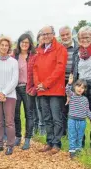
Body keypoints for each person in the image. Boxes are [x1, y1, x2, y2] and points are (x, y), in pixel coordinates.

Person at [34, 25, 68, 155]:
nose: (46, 36)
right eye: (43, 34)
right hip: (42, 89)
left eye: (48, 34)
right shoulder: (39, 50)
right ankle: (49, 142)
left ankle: (56, 143)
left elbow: (59, 69)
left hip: (55, 90)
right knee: (46, 117)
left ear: (53, 34)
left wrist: (46, 84)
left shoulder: (60, 49)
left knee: (56, 117)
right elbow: (35, 68)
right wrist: (38, 83)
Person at [0, 36, 19, 155]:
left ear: (9, 47)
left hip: (10, 95)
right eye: (2, 45)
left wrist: (4, 92)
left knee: (9, 121)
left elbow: (14, 79)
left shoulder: (13, 62)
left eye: (6, 45)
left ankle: (10, 145)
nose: (4, 47)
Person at [12, 33, 36, 150]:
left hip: (28, 87)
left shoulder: (33, 55)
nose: (24, 44)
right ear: (19, 43)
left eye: (27, 42)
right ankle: (17, 136)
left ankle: (27, 139)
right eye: (22, 42)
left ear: (30, 43)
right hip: (15, 87)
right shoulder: (14, 56)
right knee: (16, 113)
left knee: (29, 114)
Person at [66, 75, 91, 159]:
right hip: (72, 120)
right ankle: (72, 152)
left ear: (84, 90)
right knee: (72, 135)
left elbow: (87, 111)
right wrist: (69, 83)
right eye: (78, 86)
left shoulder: (85, 99)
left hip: (82, 121)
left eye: (82, 87)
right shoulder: (71, 96)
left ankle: (78, 150)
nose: (80, 89)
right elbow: (67, 90)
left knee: (80, 136)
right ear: (74, 86)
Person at [59, 26, 79, 136]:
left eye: (67, 34)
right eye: (63, 35)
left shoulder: (78, 47)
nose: (65, 37)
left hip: (74, 81)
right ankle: (63, 132)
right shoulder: (58, 48)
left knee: (74, 106)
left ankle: (74, 132)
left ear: (71, 34)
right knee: (62, 107)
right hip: (61, 82)